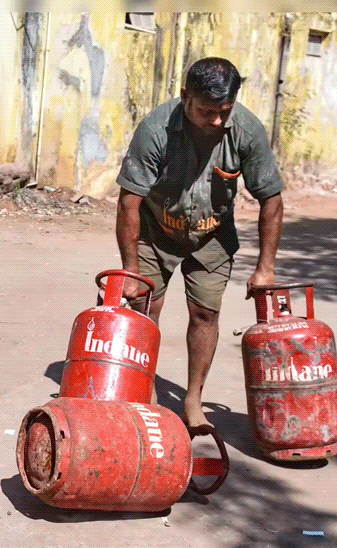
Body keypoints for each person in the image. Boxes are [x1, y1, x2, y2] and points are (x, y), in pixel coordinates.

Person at [115, 57, 284, 428]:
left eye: (225, 111)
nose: (217, 121)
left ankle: (193, 400)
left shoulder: (247, 130)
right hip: (156, 231)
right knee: (144, 308)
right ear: (184, 97)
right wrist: (129, 268)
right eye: (207, 111)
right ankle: (146, 394)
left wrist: (266, 268)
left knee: (206, 314)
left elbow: (271, 200)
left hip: (212, 235)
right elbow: (129, 201)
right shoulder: (155, 129)